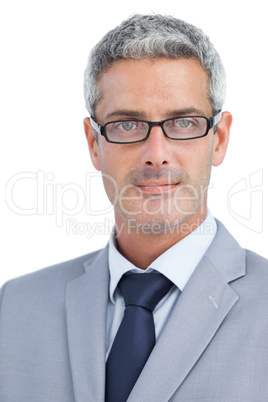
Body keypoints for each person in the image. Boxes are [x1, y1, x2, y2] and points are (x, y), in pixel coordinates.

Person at [0, 14, 267, 402]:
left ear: (219, 139)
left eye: (183, 122)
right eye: (127, 125)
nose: (156, 155)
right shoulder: (16, 307)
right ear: (94, 143)